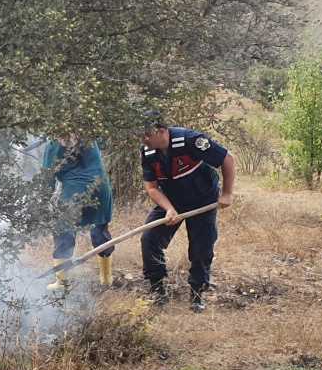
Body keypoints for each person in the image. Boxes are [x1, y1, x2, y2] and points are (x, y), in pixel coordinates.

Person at [136, 111, 236, 312]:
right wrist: (169, 209)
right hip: (172, 200)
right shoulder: (148, 153)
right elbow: (152, 188)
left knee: (201, 248)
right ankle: (157, 290)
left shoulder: (191, 141)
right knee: (149, 239)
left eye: (146, 135)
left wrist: (226, 193)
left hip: (202, 200)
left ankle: (197, 294)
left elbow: (227, 158)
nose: (143, 140)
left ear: (161, 132)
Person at [42, 135, 115, 290]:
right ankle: (106, 279)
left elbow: (48, 179)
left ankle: (62, 284)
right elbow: (102, 140)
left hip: (74, 193)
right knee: (100, 232)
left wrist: (41, 205)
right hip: (101, 189)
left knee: (63, 232)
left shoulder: (52, 145)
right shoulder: (89, 134)